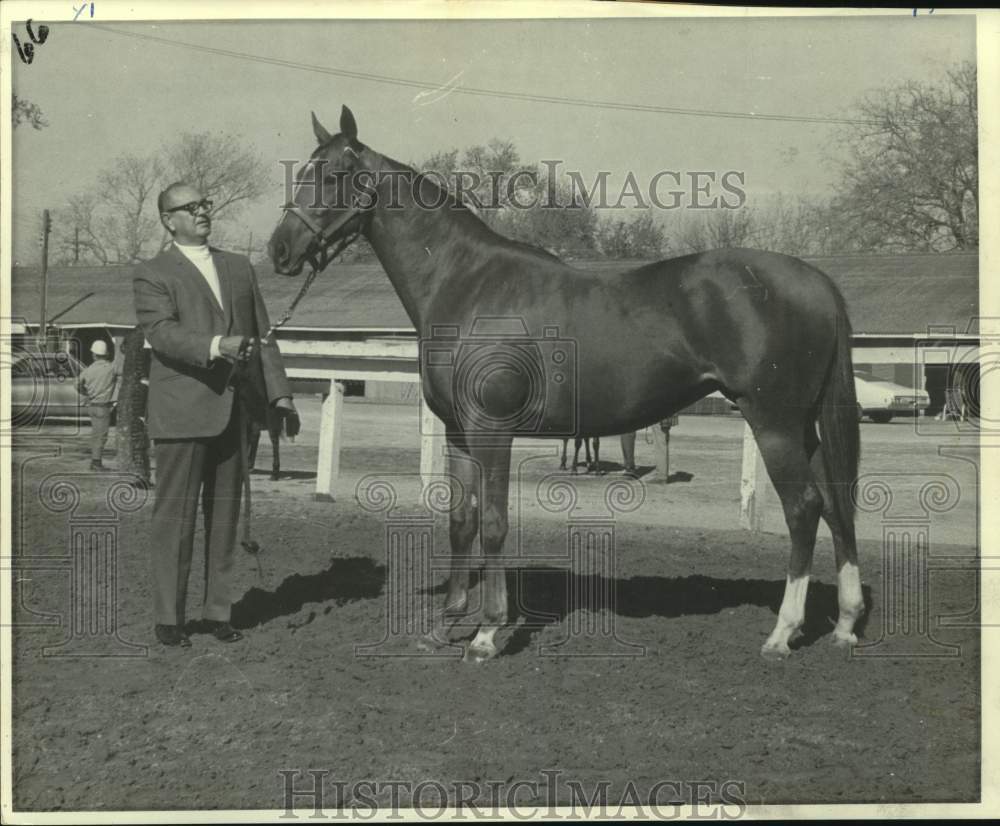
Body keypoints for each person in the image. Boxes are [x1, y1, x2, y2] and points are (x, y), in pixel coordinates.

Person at [133, 182, 299, 648]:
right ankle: (170, 618)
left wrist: (280, 396)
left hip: (235, 413)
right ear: (169, 219)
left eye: (206, 203)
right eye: (191, 207)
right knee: (176, 520)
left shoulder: (239, 267)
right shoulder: (152, 273)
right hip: (181, 413)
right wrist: (214, 345)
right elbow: (162, 334)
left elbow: (262, 336)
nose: (203, 211)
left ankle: (217, 613)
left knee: (223, 519)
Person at [76, 339, 119, 471]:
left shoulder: (88, 370)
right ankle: (96, 463)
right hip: (103, 406)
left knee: (95, 434)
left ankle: (95, 461)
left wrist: (86, 393)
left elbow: (77, 384)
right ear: (106, 354)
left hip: (92, 406)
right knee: (101, 436)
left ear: (94, 355)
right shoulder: (111, 368)